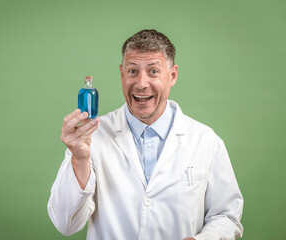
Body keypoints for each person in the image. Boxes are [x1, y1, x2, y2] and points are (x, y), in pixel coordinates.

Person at [48, 29, 244, 240]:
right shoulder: (90, 138)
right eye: (132, 71)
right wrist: (79, 158)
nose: (141, 83)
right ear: (122, 74)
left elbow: (227, 216)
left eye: (153, 71)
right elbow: (65, 224)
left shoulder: (205, 141)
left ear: (173, 75)